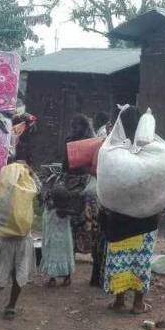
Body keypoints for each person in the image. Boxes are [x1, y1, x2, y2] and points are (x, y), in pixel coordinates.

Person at [101, 106, 160, 314]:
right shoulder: (153, 149)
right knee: (141, 259)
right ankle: (137, 303)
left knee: (120, 259)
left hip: (119, 217)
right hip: (146, 217)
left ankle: (119, 301)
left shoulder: (113, 150)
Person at [0, 156, 39, 320]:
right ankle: (10, 307)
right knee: (20, 272)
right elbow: (39, 187)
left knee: (0, 272)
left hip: (7, 239)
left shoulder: (3, 191)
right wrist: (30, 171)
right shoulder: (28, 190)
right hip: (24, 238)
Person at [63, 114, 103, 287]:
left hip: (72, 189)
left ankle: (67, 274)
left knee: (71, 231)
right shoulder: (94, 143)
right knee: (92, 230)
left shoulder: (70, 141)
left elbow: (65, 165)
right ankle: (94, 275)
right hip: (87, 189)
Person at [40, 185, 75, 287]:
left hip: (52, 240)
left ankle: (52, 279)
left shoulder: (51, 209)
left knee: (52, 257)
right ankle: (67, 278)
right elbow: (74, 212)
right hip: (65, 241)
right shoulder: (64, 211)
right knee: (66, 256)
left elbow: (44, 199)